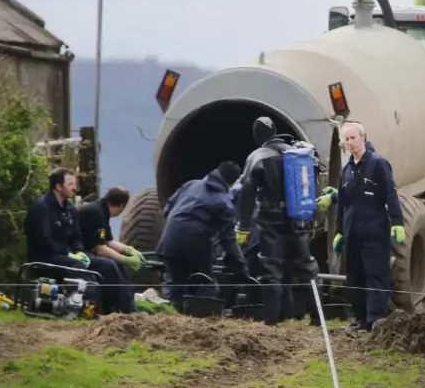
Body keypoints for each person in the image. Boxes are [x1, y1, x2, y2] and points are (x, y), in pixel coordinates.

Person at [235, 117, 321, 326]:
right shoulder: (296, 153)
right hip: (299, 220)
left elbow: (246, 193)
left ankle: (272, 321)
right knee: (306, 267)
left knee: (271, 269)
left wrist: (243, 227)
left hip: (271, 222)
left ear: (258, 136)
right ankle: (319, 318)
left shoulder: (258, 156)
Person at [330, 122, 406, 332]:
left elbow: (391, 194)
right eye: (346, 140)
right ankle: (360, 320)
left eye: (353, 138)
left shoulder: (378, 164)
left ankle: (375, 320)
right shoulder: (346, 170)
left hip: (374, 230)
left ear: (363, 137)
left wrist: (397, 223)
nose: (349, 143)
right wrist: (339, 232)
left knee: (375, 275)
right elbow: (343, 203)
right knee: (354, 276)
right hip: (352, 231)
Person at [24, 168, 127, 308]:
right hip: (46, 256)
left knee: (108, 265)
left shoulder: (70, 208)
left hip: (70, 255)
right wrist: (68, 254)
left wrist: (79, 251)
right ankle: (86, 307)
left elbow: (77, 236)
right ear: (58, 186)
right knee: (80, 268)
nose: (75, 188)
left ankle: (115, 311)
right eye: (71, 184)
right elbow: (44, 240)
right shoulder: (41, 207)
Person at [156, 161, 247, 313]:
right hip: (196, 246)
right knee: (205, 284)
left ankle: (170, 322)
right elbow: (228, 240)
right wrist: (241, 266)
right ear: (231, 183)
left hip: (169, 240)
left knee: (174, 285)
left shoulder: (192, 184)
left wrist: (178, 229)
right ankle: (205, 323)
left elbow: (167, 209)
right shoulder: (224, 203)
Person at [77, 186, 145, 314]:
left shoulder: (102, 210)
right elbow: (100, 249)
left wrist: (129, 250)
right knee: (110, 266)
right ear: (120, 206)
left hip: (88, 251)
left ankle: (128, 307)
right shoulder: (95, 212)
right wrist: (126, 259)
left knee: (118, 264)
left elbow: (108, 241)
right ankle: (112, 310)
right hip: (78, 253)